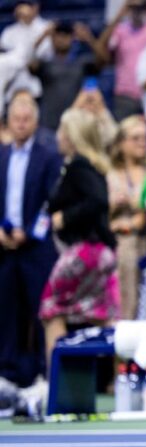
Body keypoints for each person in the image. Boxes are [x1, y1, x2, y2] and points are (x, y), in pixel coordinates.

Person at [39, 108, 119, 376]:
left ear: (72, 136)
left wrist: (66, 217)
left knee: (52, 311)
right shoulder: (93, 165)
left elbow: (98, 201)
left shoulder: (78, 165)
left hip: (83, 251)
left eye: (63, 131)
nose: (58, 136)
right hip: (101, 252)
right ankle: (117, 380)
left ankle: (56, 382)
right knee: (101, 314)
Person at [0, 98, 61, 389]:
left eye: (26, 118)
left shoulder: (48, 155)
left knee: (41, 311)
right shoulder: (1, 155)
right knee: (5, 309)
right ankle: (7, 374)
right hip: (4, 247)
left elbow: (52, 202)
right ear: (8, 122)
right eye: (16, 118)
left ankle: (41, 373)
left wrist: (30, 233)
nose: (21, 123)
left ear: (35, 122)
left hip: (36, 247)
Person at [107, 115, 146, 320]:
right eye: (135, 138)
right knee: (125, 301)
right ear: (121, 142)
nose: (142, 143)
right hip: (121, 246)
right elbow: (99, 214)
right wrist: (114, 205)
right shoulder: (110, 174)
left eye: (144, 137)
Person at [97, 0, 146, 120]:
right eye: (133, 8)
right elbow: (102, 48)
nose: (137, 11)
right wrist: (120, 14)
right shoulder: (120, 30)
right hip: (125, 95)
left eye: (141, 8)